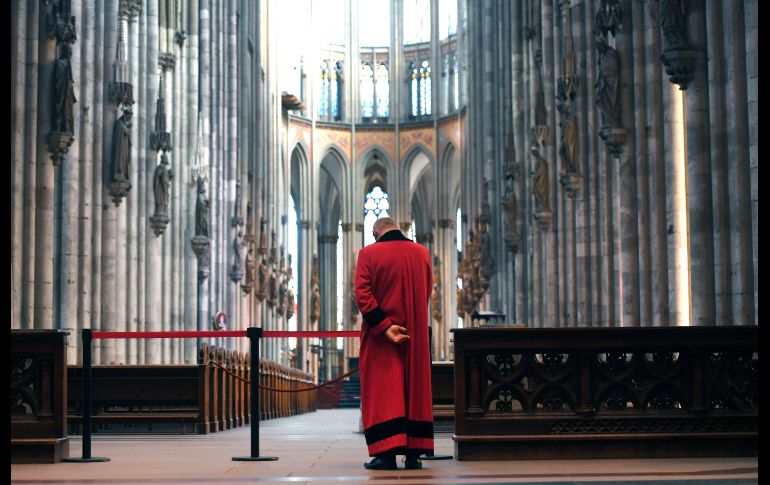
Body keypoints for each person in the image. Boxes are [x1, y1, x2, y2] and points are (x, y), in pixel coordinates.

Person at [354, 217, 433, 471]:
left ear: (375, 233)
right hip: (415, 336)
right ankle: (414, 455)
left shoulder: (368, 254)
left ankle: (385, 455)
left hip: (381, 340)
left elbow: (363, 295)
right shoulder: (422, 253)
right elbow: (426, 292)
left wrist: (385, 326)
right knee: (414, 392)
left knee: (384, 394)